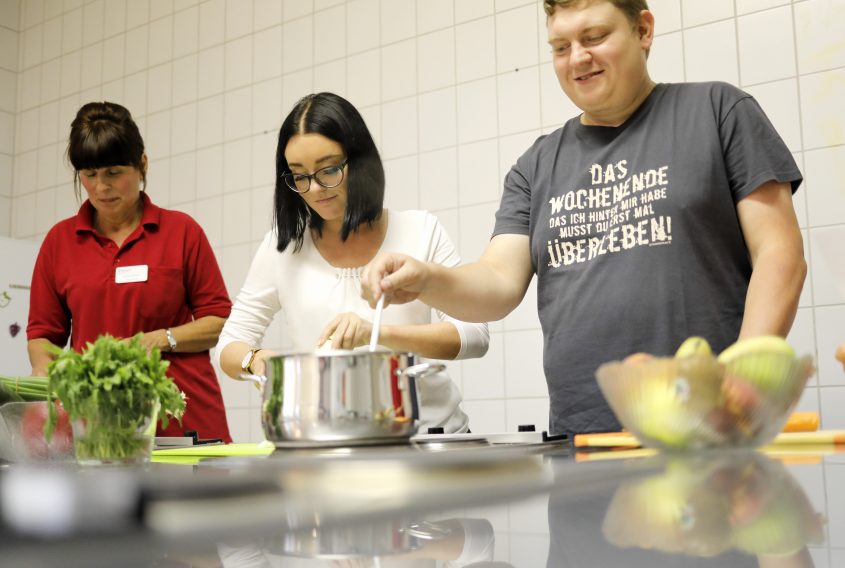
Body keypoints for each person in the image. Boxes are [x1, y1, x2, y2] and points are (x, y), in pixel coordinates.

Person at [361, 0, 806, 436]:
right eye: (560, 46)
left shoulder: (717, 111)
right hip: (584, 435)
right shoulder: (535, 165)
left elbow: (779, 252)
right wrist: (427, 278)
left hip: (712, 426)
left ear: (643, 30)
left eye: (594, 37)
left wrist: (740, 381)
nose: (577, 58)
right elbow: (497, 284)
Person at [215, 92, 488, 434]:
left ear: (359, 161)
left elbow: (475, 335)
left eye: (329, 170)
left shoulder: (420, 230)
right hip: (330, 444)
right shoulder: (282, 247)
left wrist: (377, 334)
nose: (314, 189)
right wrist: (257, 361)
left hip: (430, 440)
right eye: (299, 176)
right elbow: (229, 344)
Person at [27, 101, 233, 443]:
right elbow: (43, 335)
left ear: (142, 165)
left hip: (182, 416)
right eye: (89, 175)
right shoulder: (59, 242)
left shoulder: (181, 231)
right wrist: (51, 382)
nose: (101, 187)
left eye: (112, 172)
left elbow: (220, 321)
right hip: (100, 423)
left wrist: (159, 339)